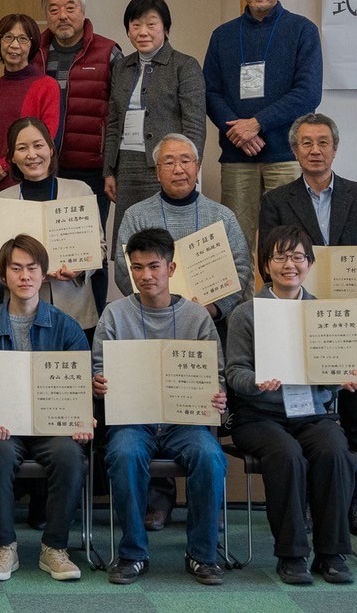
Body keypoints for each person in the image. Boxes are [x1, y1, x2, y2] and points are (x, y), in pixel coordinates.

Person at [258, 112, 357, 536]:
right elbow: (269, 262)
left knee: (356, 421)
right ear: (294, 150)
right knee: (306, 417)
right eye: (306, 143)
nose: (315, 150)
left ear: (335, 147)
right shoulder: (276, 200)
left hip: (352, 326)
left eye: (323, 142)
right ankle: (314, 502)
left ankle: (356, 502)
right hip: (294, 325)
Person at [93, 227, 228, 586]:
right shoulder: (114, 315)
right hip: (133, 420)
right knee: (123, 455)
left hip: (185, 422)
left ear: (171, 268)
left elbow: (215, 373)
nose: (146, 275)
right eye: (137, 267)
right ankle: (133, 553)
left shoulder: (197, 318)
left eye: (154, 266)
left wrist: (218, 394)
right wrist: (98, 382)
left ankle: (202, 554)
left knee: (211, 457)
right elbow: (97, 367)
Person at [225, 224, 357, 586]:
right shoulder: (246, 313)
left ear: (310, 264)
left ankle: (331, 554)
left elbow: (326, 376)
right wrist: (254, 382)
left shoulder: (322, 313)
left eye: (298, 256)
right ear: (265, 266)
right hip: (259, 416)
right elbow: (233, 372)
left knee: (334, 451)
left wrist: (341, 378)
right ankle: (292, 554)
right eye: (280, 256)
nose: (290, 264)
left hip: (311, 414)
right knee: (286, 455)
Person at [0, 234, 89, 583]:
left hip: (52, 425)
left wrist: (81, 418)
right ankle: (4, 546)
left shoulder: (66, 326)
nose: (24, 276)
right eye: (16, 268)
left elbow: (79, 385)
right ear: (3, 275)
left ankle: (54, 547)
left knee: (69, 454)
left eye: (32, 268)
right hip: (4, 426)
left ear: (44, 273)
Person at [202, 0, 322, 251]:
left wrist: (256, 124)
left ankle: (284, 300)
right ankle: (239, 301)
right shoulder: (223, 35)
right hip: (237, 156)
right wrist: (238, 133)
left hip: (286, 154)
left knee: (288, 243)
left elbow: (308, 93)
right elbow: (210, 92)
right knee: (234, 246)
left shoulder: (302, 30)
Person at [102, 0, 206, 255]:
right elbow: (114, 121)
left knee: (166, 241)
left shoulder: (184, 66)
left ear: (166, 29)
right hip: (127, 165)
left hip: (166, 165)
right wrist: (109, 170)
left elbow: (194, 124)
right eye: (135, 25)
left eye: (151, 24)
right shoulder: (122, 67)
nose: (143, 32)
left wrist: (187, 167)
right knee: (130, 241)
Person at [112, 133, 252, 327]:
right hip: (150, 319)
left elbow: (241, 268)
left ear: (197, 167)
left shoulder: (221, 216)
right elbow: (123, 268)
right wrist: (156, 305)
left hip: (208, 320)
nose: (178, 169)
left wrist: (214, 309)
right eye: (169, 163)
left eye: (186, 161)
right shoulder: (136, 215)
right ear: (157, 172)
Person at [0, 116, 103, 332]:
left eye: (38, 146)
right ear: (11, 157)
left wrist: (79, 269)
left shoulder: (80, 191)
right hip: (20, 312)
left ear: (51, 149)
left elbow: (99, 247)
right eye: (22, 148)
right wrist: (20, 276)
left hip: (74, 309)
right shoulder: (2, 201)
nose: (32, 155)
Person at [36, 0, 121, 231]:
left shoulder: (108, 52)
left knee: (92, 244)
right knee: (45, 240)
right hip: (43, 168)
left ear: (83, 12)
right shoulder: (35, 54)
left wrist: (111, 168)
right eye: (54, 10)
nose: (62, 15)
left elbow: (120, 113)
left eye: (70, 8)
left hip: (92, 170)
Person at [0, 12, 60, 207]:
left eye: (23, 39)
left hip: (28, 182)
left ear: (32, 45)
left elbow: (49, 138)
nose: (14, 45)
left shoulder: (46, 85)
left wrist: (5, 165)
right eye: (8, 37)